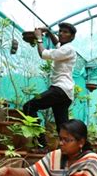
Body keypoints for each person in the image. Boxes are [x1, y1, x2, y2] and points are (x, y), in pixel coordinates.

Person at [23, 23, 77, 152]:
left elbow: (44, 54)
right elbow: (57, 43)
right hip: (66, 93)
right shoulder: (63, 47)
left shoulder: (68, 49)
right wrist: (49, 31)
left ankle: (42, 145)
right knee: (62, 127)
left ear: (72, 36)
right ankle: (71, 152)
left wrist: (39, 38)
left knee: (29, 107)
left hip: (60, 89)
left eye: (66, 32)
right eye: (60, 31)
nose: (62, 34)